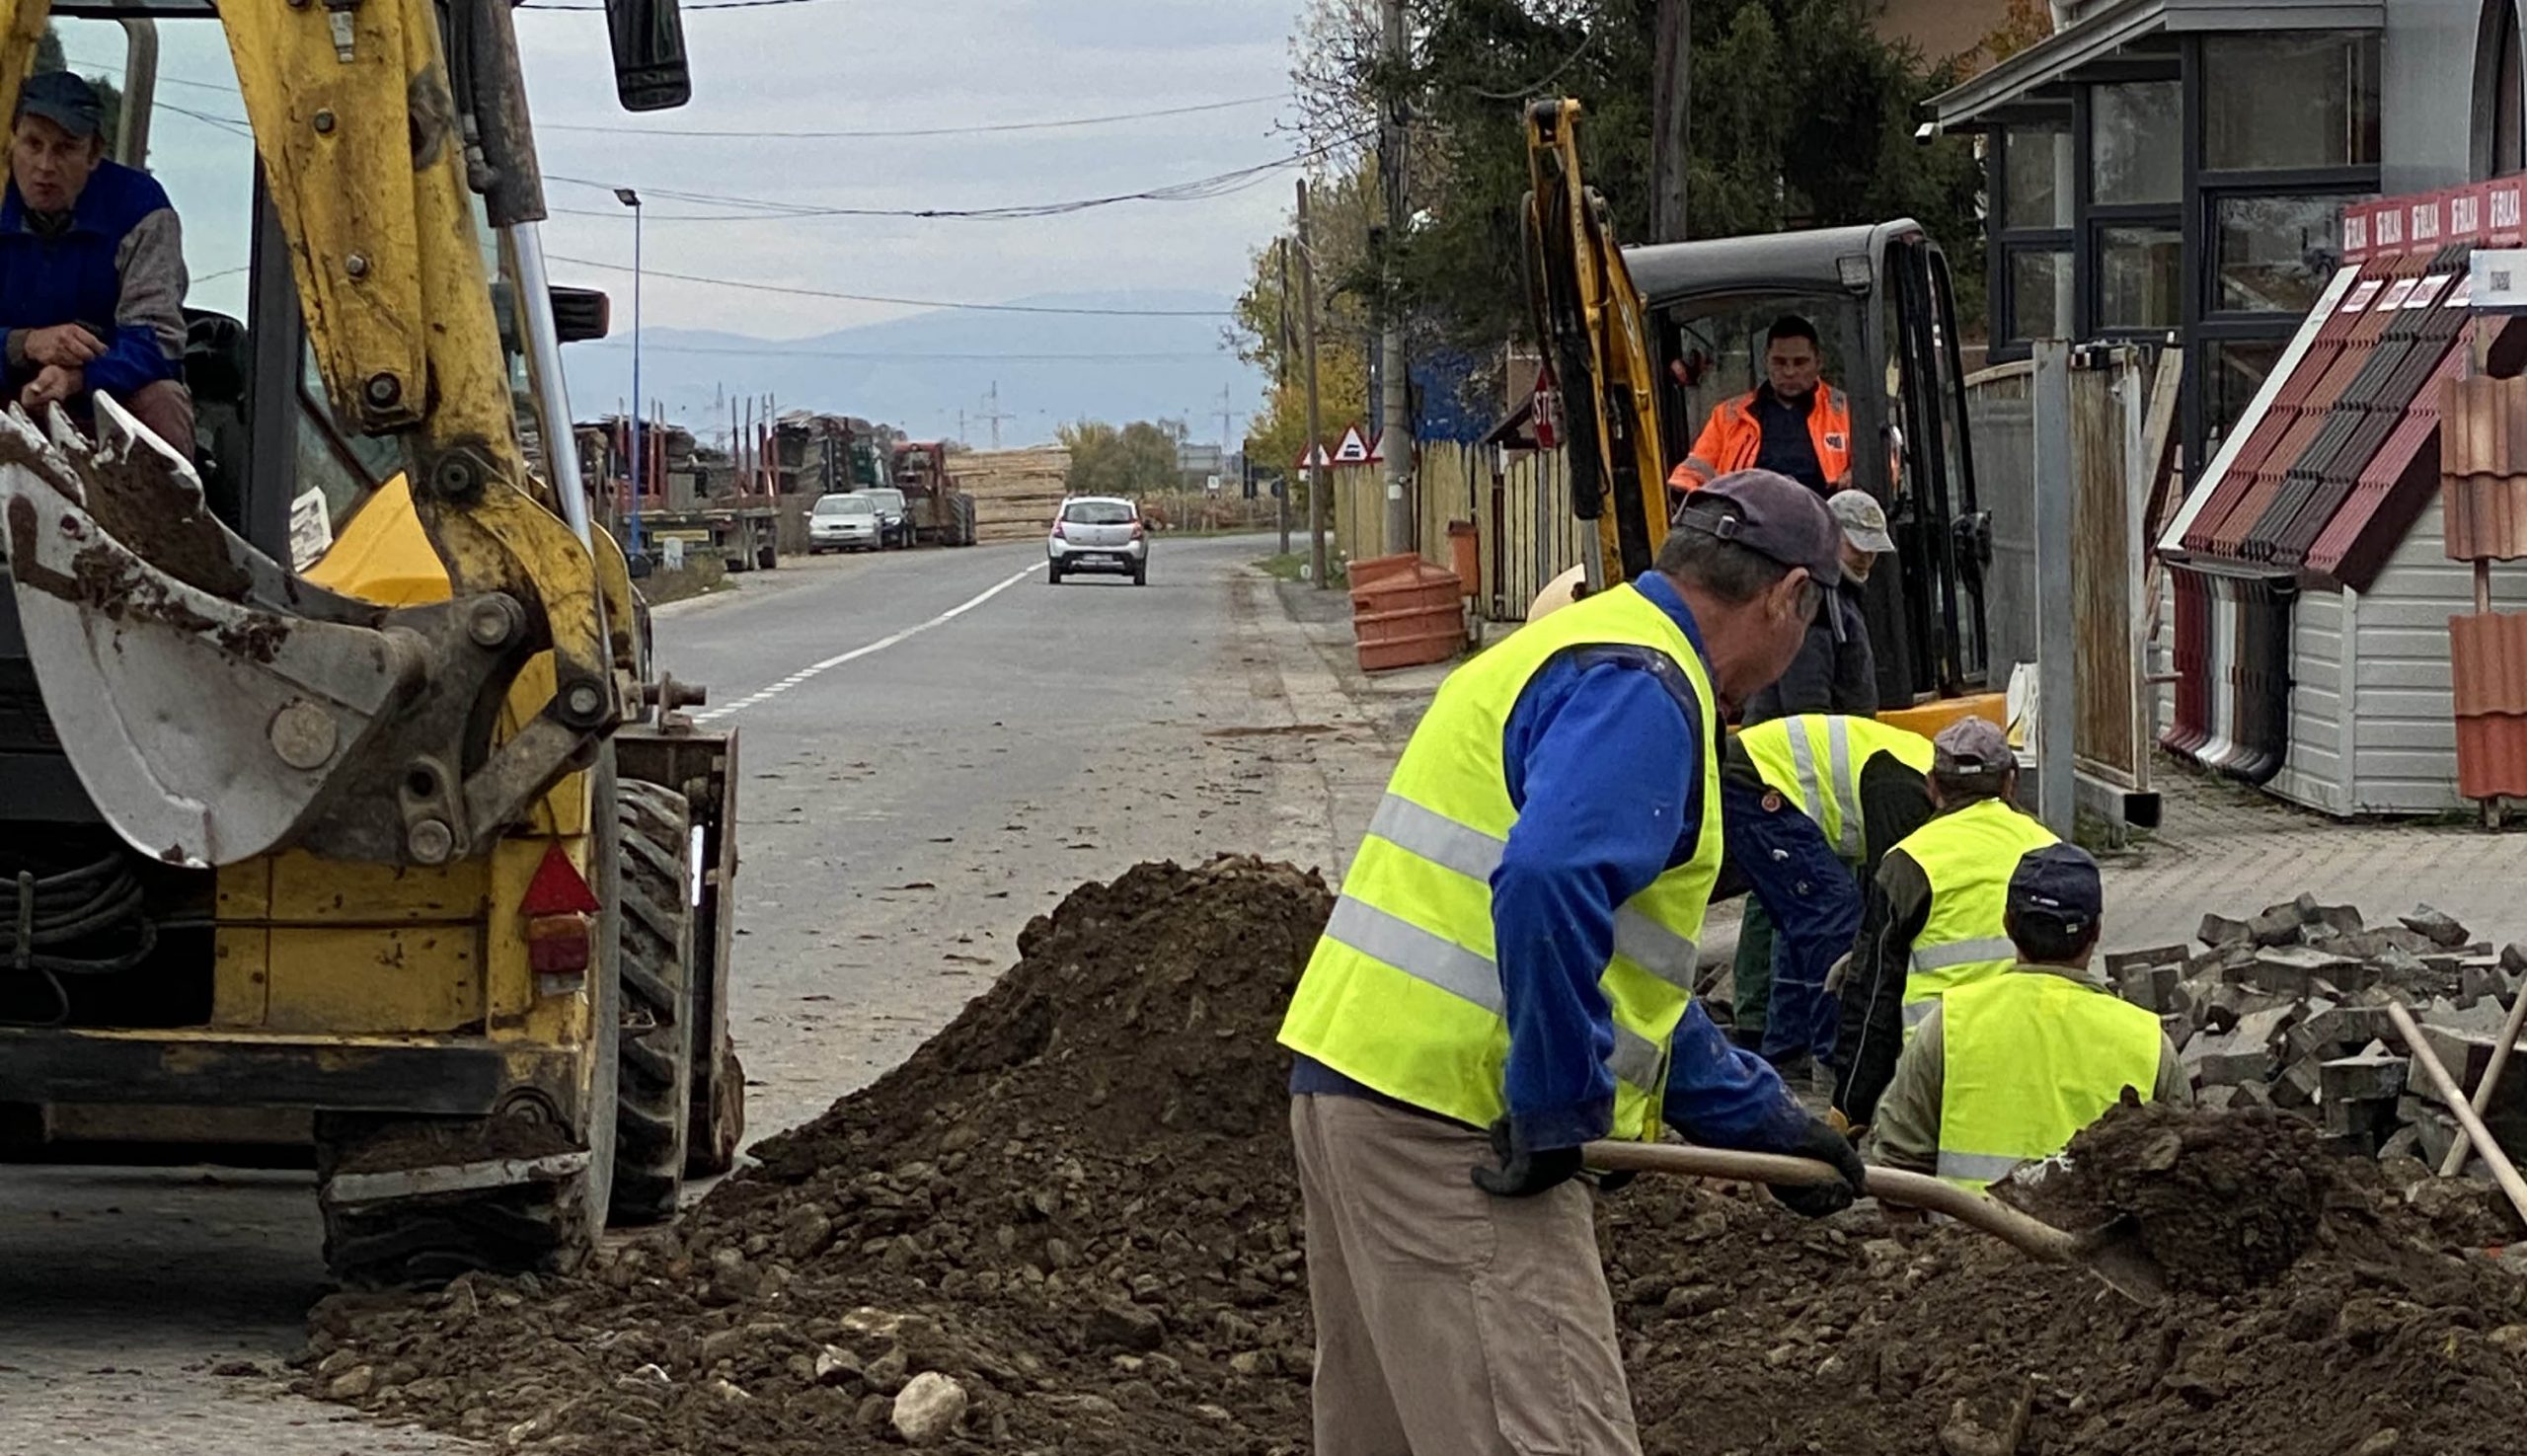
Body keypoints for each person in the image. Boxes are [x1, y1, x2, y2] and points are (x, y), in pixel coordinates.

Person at [1278, 469, 1870, 1456]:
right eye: (1811, 624)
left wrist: (1767, 1125)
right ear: (1788, 597)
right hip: (1458, 1120)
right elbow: (1547, 880)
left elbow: (1612, 967)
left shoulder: (1563, 649)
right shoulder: (1644, 683)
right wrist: (1557, 1105)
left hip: (1357, 1085)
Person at [1869, 844, 2190, 1190]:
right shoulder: (2148, 1042)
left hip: (1966, 1239)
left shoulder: (1950, 1024)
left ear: (2007, 923)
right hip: (2099, 1245)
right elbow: (2184, 1174)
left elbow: (1897, 1162)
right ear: (2096, 930)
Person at [1830, 717, 2058, 1133]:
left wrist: (1851, 1106)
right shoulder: (2052, 853)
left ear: (1932, 786)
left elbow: (1874, 995)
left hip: (1937, 1068)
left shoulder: (1907, 863)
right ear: (2010, 782)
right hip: (2041, 1054)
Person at [1720, 715, 1937, 1073]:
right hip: (1764, 782)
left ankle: (1787, 1048)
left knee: (1806, 920)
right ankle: (1838, 1058)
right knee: (1834, 921)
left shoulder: (1917, 770)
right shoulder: (1908, 791)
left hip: (1761, 776)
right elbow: (1888, 906)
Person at [0, 71, 193, 455]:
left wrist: (79, 378)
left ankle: (164, 515)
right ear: (11, 141)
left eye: (65, 149)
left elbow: (158, 340)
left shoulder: (142, 210)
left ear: (93, 154)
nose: (44, 166)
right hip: (8, 387)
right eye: (33, 144)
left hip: (101, 395)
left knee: (163, 402)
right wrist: (25, 344)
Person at [1740, 488, 1891, 726]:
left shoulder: (1836, 596)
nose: (1866, 558)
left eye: (1872, 550)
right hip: (1804, 751)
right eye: (1857, 547)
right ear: (1828, 535)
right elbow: (1807, 704)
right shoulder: (1814, 600)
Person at [1667, 315, 1853, 500]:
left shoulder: (1846, 412)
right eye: (1779, 362)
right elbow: (1698, 466)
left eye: (1800, 362)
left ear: (1818, 362)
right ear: (1766, 361)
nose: (1789, 372)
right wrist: (1683, 489)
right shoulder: (1730, 415)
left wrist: (1854, 475)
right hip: (1747, 519)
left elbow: (1877, 465)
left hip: (1826, 519)